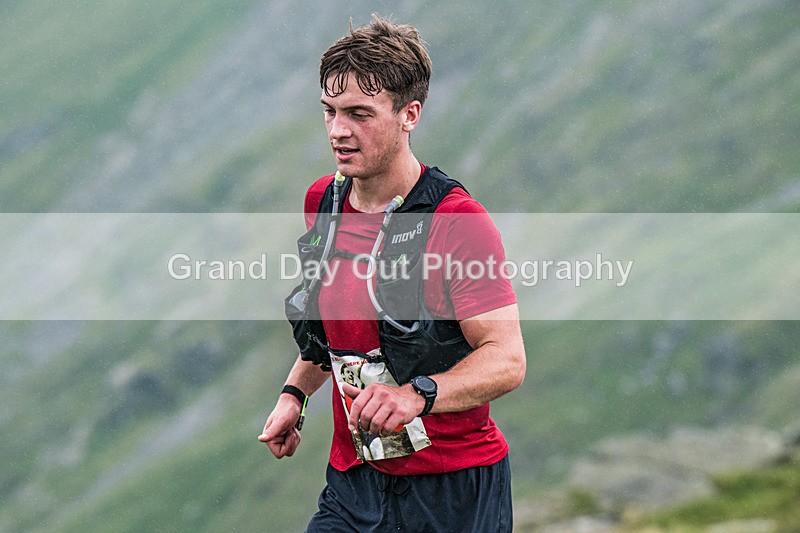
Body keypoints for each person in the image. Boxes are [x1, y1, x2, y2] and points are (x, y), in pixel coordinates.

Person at [259, 14, 526, 532]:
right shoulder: (323, 202)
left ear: (410, 115)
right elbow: (337, 331)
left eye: (360, 114)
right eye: (330, 111)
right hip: (355, 484)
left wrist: (414, 395)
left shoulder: (456, 221)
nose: (338, 130)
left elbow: (507, 360)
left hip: (453, 489)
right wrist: (295, 395)